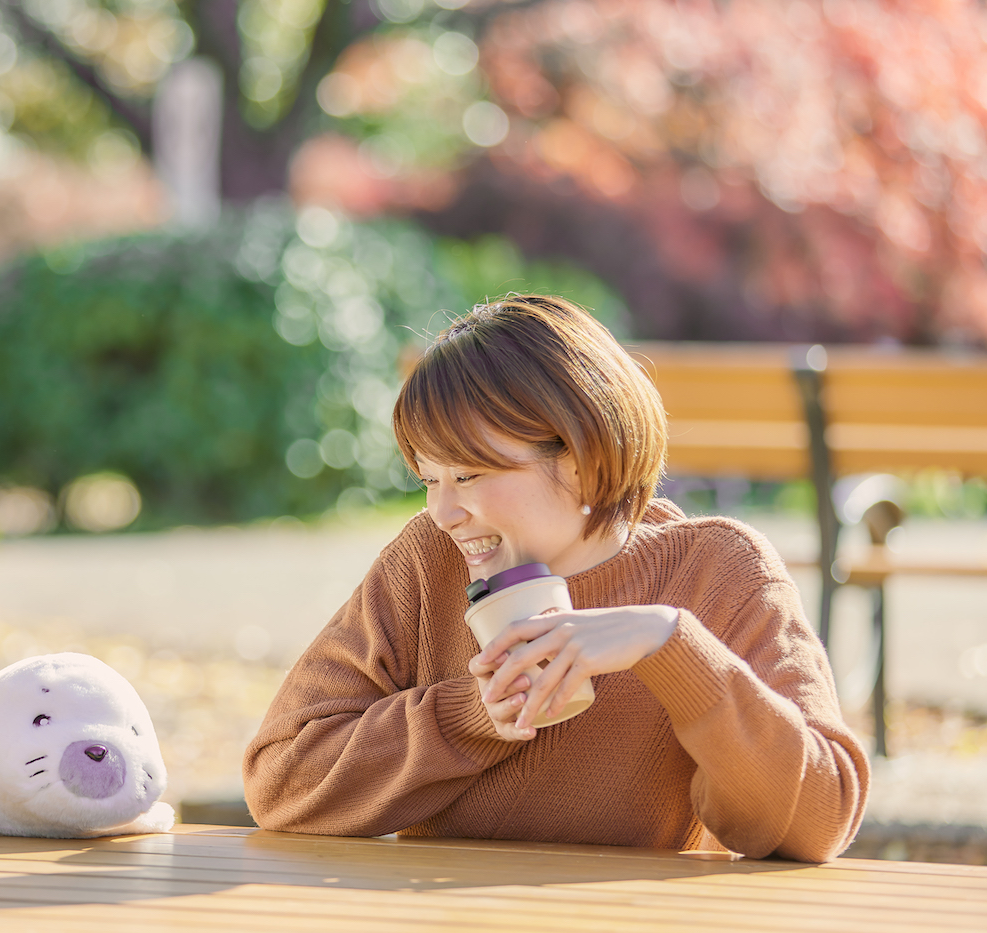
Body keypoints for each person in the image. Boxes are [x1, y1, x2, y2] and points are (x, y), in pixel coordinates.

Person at [242, 294, 868, 863]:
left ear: (582, 454)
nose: (443, 511)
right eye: (429, 478)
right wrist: (472, 715)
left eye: (470, 475)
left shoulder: (718, 571)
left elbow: (818, 824)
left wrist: (673, 647)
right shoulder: (428, 561)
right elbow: (280, 779)